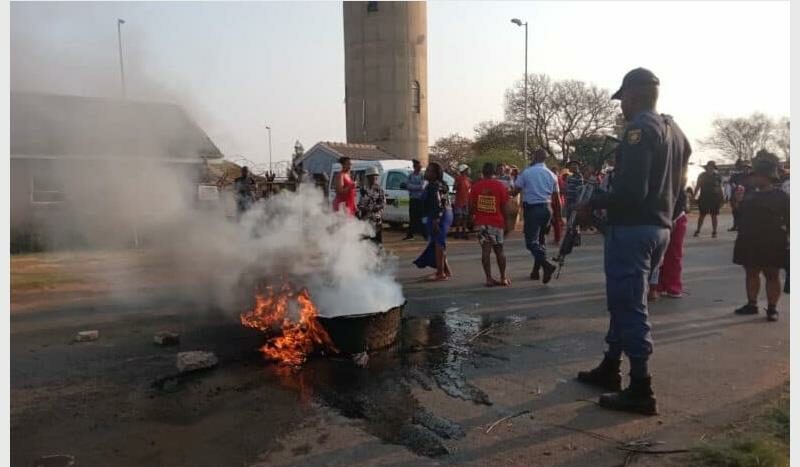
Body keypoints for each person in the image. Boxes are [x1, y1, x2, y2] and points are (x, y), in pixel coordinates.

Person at [575, 68, 691, 415]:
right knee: (626, 300)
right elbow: (680, 186)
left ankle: (640, 386)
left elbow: (631, 191)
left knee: (630, 305)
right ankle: (611, 365)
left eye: (621, 99)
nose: (620, 107)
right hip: (660, 228)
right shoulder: (676, 131)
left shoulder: (640, 129)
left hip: (634, 229)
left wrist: (592, 204)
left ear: (633, 95)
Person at [732, 152, 789, 322]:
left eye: (756, 175)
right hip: (749, 239)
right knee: (751, 272)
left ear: (766, 176)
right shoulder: (749, 194)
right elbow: (739, 215)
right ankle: (752, 304)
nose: (753, 179)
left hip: (773, 240)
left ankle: (772, 309)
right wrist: (737, 201)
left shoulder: (781, 196)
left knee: (772, 274)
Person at [514, 148, 560, 283]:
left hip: (533, 209)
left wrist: (508, 192)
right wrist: (557, 216)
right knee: (541, 240)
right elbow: (556, 197)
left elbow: (515, 190)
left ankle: (546, 265)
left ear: (534, 157)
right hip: (547, 208)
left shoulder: (527, 172)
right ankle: (536, 271)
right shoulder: (551, 174)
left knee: (531, 242)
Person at [470, 162, 511, 287]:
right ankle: (503, 277)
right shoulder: (500, 186)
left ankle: (488, 278)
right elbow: (504, 206)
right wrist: (507, 222)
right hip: (497, 223)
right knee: (499, 251)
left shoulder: (476, 187)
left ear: (483, 171)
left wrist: (473, 217)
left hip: (481, 223)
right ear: (494, 172)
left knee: (485, 251)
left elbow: (471, 207)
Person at [413, 162, 453, 281]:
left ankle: (440, 273)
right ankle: (446, 270)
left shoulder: (433, 186)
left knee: (438, 243)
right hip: (446, 213)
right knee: (438, 242)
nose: (427, 172)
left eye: (430, 171)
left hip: (439, 215)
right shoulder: (441, 184)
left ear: (436, 174)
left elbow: (437, 203)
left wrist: (436, 219)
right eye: (427, 170)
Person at [650, 187, 689, 299]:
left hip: (675, 217)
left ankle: (672, 285)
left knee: (673, 254)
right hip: (657, 216)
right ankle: (657, 285)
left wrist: (672, 219)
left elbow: (681, 195)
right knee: (656, 254)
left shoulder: (678, 171)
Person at [693, 161, 724, 238]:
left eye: (712, 167)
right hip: (704, 198)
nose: (710, 168)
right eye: (709, 167)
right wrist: (694, 196)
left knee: (714, 215)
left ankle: (714, 232)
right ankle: (698, 230)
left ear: (714, 168)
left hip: (715, 198)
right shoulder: (702, 175)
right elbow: (698, 186)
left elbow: (720, 188)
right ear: (707, 167)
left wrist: (722, 198)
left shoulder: (718, 176)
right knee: (702, 215)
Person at [357, 166, 386, 246]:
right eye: (372, 176)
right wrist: (365, 210)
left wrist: (374, 212)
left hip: (376, 219)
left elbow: (383, 204)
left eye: (376, 176)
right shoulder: (363, 190)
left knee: (377, 241)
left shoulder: (379, 189)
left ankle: (378, 256)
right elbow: (360, 204)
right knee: (365, 239)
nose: (375, 178)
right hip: (365, 218)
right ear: (368, 177)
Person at [404, 159, 426, 240]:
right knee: (412, 217)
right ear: (414, 167)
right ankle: (410, 234)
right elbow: (408, 186)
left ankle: (425, 234)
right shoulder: (410, 176)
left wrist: (415, 187)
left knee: (422, 217)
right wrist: (418, 187)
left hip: (421, 200)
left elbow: (423, 186)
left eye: (420, 166)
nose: (419, 167)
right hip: (413, 199)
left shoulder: (422, 176)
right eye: (418, 166)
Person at [453, 164, 472, 240]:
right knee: (459, 217)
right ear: (464, 170)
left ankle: (464, 232)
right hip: (459, 200)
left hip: (466, 200)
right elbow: (454, 187)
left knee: (465, 217)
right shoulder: (458, 178)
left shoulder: (468, 179)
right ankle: (457, 232)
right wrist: (458, 184)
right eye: (467, 170)